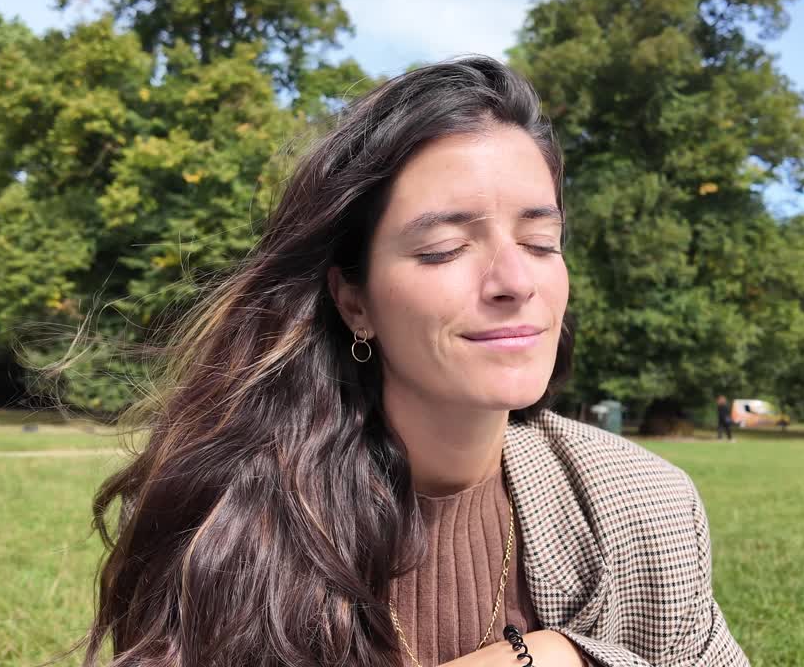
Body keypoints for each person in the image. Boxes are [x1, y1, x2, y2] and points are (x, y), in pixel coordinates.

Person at [79, 58, 748, 667]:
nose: (515, 280)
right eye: (443, 249)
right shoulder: (232, 522)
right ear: (355, 301)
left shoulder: (644, 506)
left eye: (542, 241)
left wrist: (571, 660)